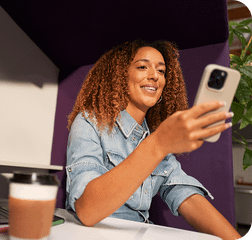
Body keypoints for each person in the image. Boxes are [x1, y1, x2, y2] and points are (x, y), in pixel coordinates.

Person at [66, 39, 241, 240]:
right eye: (142, 67)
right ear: (119, 75)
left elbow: (186, 195)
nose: (154, 76)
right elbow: (86, 211)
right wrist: (158, 144)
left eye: (161, 71)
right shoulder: (89, 122)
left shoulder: (156, 138)